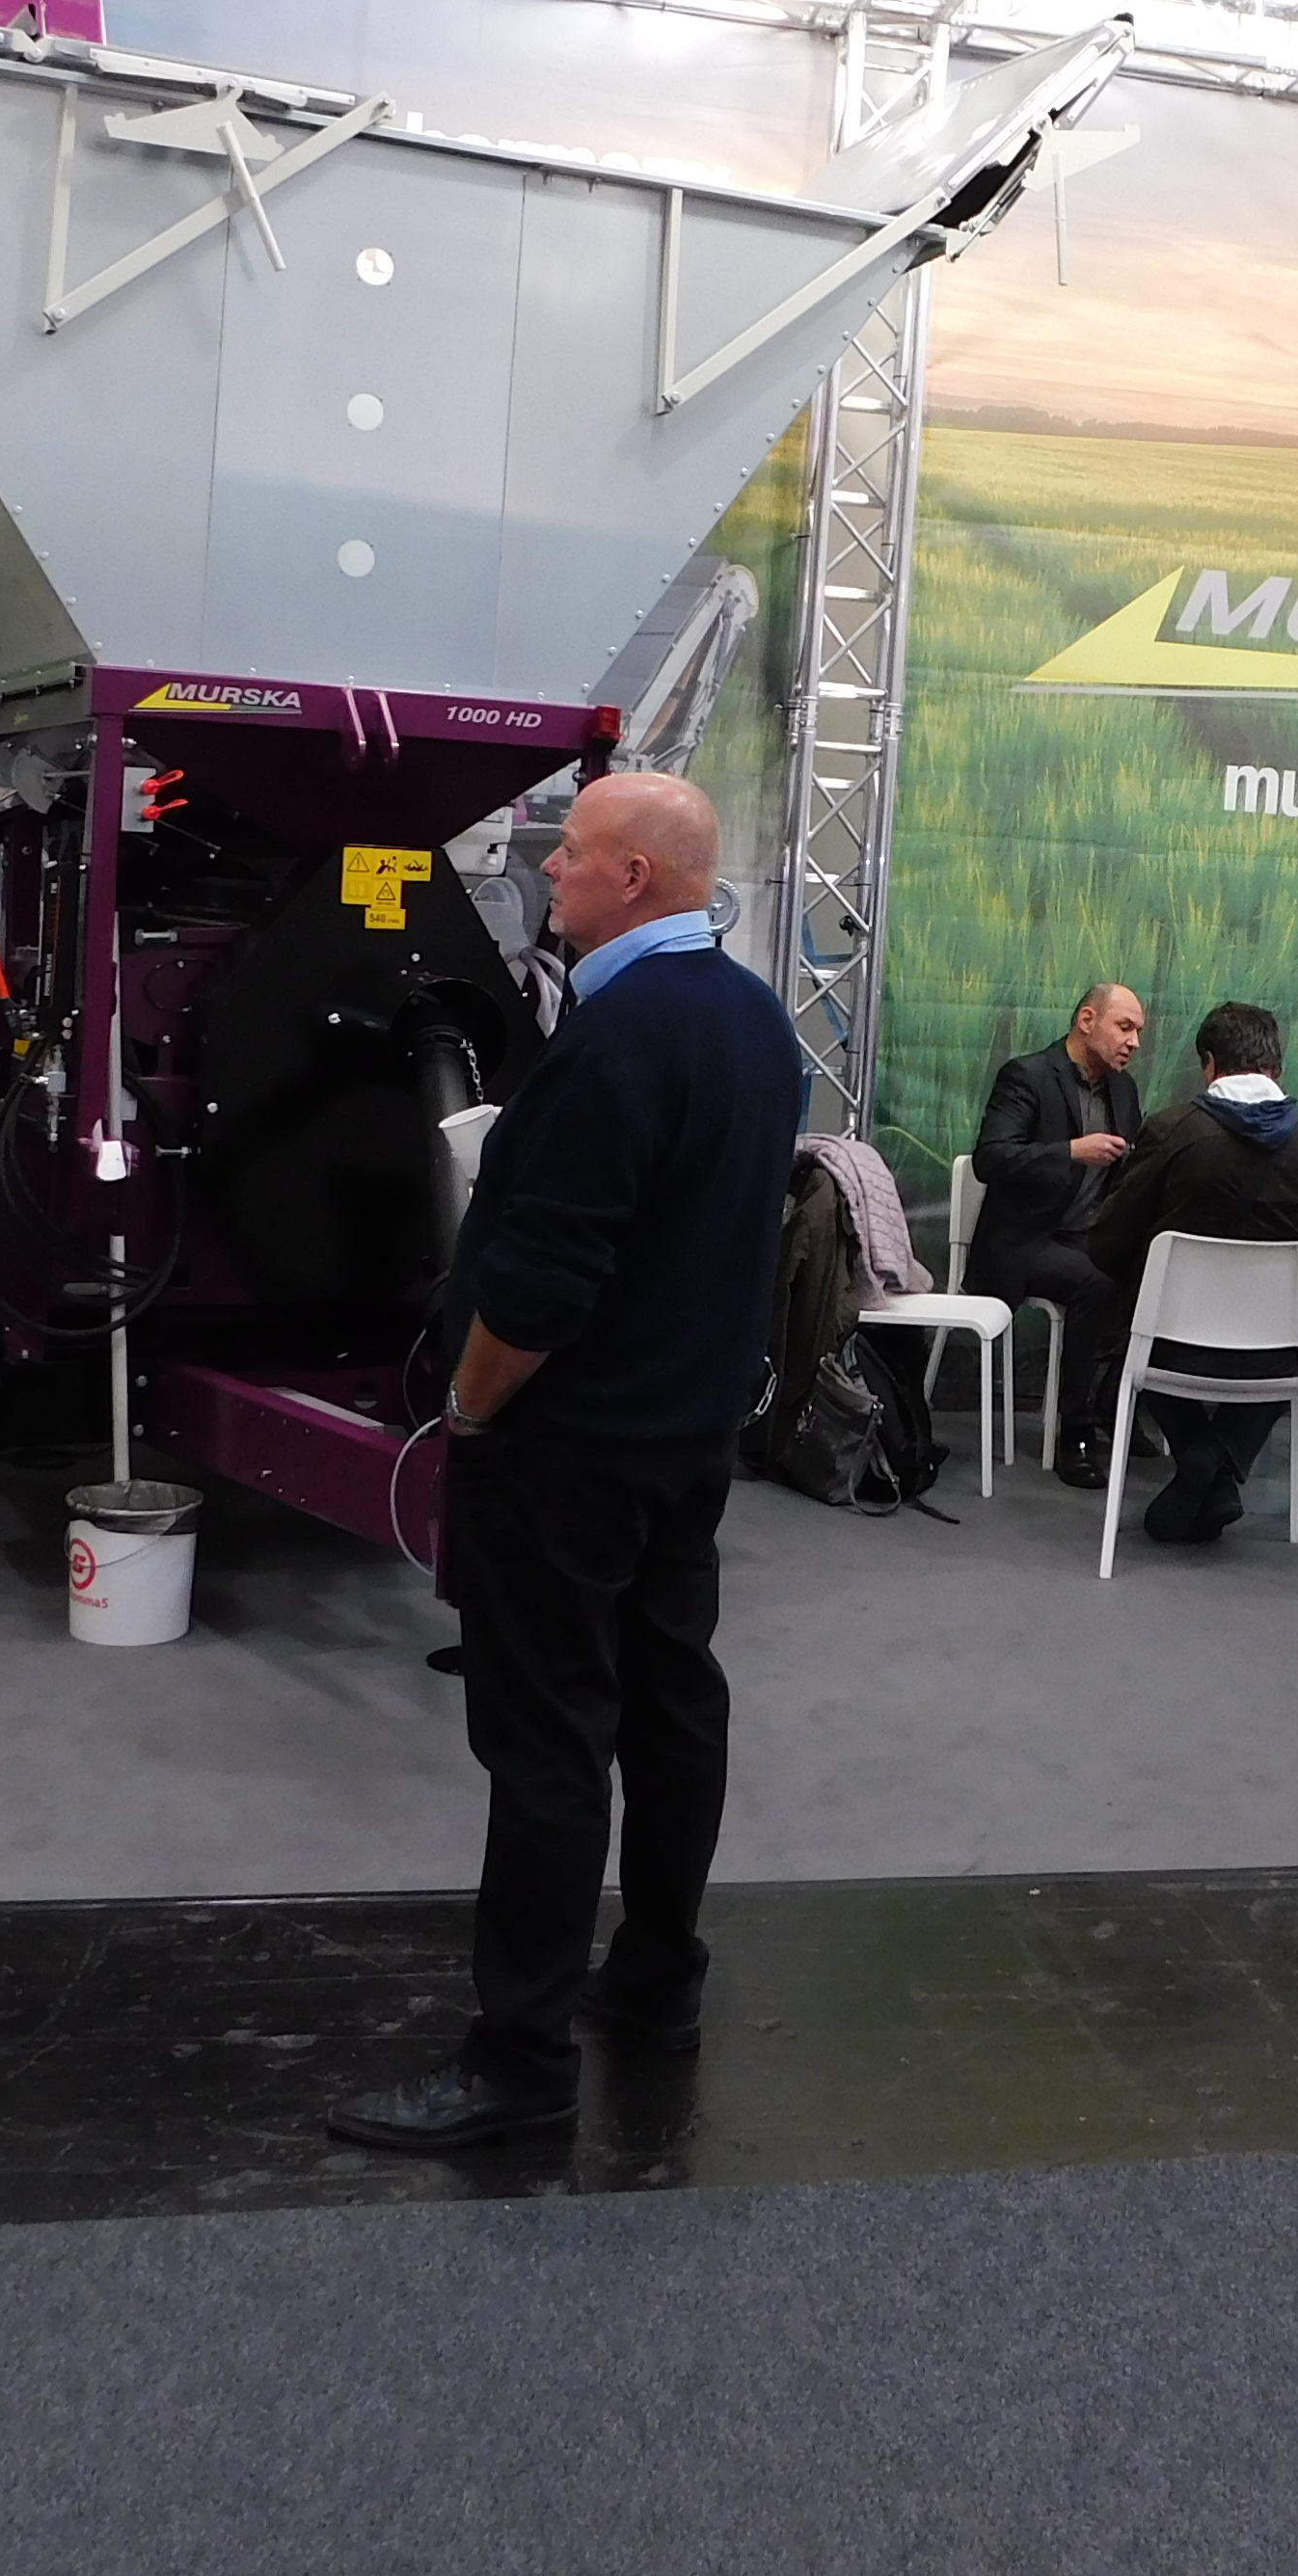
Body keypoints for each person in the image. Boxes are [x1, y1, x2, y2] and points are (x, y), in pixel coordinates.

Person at [330, 771, 802, 2154]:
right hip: (685, 1439)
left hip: (571, 1449)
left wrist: (472, 1408)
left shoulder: (623, 1037)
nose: (550, 871)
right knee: (670, 1703)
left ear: (636, 878)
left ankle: (519, 2061)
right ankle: (656, 1980)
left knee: (545, 1743)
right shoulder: (754, 1020)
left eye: (573, 852)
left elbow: (544, 1282)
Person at [1080, 1002, 1298, 1544]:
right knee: (1293, 1347)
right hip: (1285, 1352)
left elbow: (1108, 1245)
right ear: (1276, 1068)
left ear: (1209, 1065)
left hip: (1172, 1346)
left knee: (1130, 1333)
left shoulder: (1170, 1131)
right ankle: (1216, 1462)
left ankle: (1199, 1454)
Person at [969, 983, 1149, 1487]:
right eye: (1124, 1027)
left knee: (1156, 1273)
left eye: (1138, 1032)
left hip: (1088, 1235)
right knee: (1097, 1284)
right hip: (1023, 1240)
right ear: (1087, 1020)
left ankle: (1113, 1402)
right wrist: (1071, 1151)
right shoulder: (1027, 1076)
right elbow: (991, 1159)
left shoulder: (1124, 1090)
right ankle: (1076, 1430)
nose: (1134, 1042)